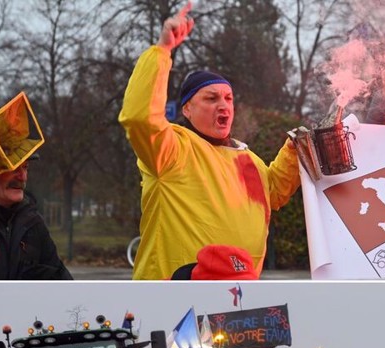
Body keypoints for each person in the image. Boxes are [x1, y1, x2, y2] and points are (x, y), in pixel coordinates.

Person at [118, 3, 301, 279]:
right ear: (187, 109)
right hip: (172, 302)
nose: (223, 105)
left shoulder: (247, 158)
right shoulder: (172, 149)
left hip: (239, 298)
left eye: (228, 98)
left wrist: (295, 151)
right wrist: (162, 50)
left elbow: (273, 191)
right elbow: (139, 117)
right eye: (211, 98)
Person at [0, 93, 71, 280]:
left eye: (25, 167)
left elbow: (63, 286)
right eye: (13, 168)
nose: (22, 176)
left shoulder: (32, 224)